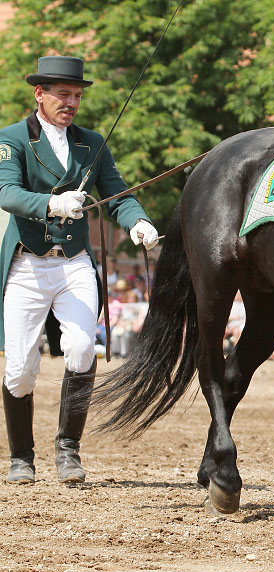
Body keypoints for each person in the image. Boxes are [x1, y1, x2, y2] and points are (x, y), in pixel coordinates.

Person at [0, 55, 159, 485]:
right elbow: (7, 192)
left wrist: (138, 221)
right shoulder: (12, 139)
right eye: (63, 95)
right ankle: (21, 457)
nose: (71, 103)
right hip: (28, 265)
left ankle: (68, 449)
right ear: (40, 94)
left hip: (73, 264)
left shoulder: (91, 143)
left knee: (83, 348)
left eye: (77, 96)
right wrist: (51, 203)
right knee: (19, 368)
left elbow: (119, 195)